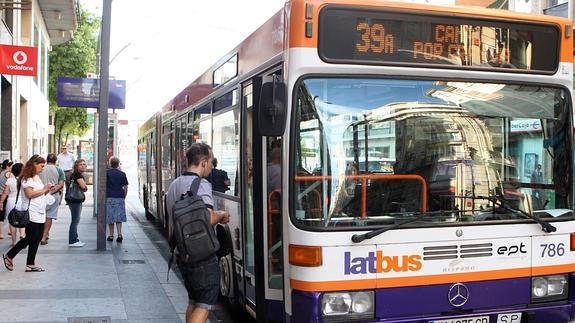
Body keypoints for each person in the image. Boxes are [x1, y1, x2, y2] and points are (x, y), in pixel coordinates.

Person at [166, 143, 230, 323]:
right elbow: (208, 217)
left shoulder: (174, 184)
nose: (212, 165)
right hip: (201, 256)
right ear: (202, 162)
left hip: (182, 254)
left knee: (194, 301)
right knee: (204, 304)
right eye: (210, 161)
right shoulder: (202, 185)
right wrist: (222, 215)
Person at [2, 155, 56, 272]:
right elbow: (30, 194)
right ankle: (9, 255)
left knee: (36, 238)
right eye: (41, 166)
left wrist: (47, 189)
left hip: (40, 211)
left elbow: (39, 192)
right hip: (31, 212)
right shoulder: (26, 178)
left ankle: (30, 264)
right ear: (34, 164)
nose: (42, 169)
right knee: (31, 237)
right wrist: (44, 189)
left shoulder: (36, 177)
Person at [39, 154, 65, 245]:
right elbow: (61, 184)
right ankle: (44, 237)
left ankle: (41, 234)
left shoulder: (41, 169)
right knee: (49, 216)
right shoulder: (59, 170)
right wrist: (52, 191)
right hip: (53, 196)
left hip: (40, 195)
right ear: (56, 161)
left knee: (41, 215)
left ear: (46, 160)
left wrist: (44, 191)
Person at [0, 163, 24, 246]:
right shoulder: (24, 180)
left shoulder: (10, 180)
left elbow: (5, 192)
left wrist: (1, 202)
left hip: (11, 201)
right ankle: (21, 235)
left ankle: (14, 241)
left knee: (12, 221)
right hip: (22, 201)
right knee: (22, 220)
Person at [106, 156, 128, 242]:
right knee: (119, 217)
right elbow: (125, 187)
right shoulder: (122, 174)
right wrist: (124, 196)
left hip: (110, 196)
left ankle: (111, 235)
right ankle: (119, 234)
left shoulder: (107, 173)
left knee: (110, 217)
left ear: (110, 164)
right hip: (120, 197)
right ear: (118, 164)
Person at [68, 159, 88, 247]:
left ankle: (75, 239)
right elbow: (84, 186)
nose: (83, 166)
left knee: (75, 219)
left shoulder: (74, 174)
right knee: (75, 220)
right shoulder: (77, 175)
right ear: (76, 166)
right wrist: (85, 188)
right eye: (80, 164)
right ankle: (73, 240)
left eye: (84, 164)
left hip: (72, 199)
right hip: (75, 199)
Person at [0, 159, 13, 239]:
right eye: (11, 165)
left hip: (0, 194)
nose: (12, 167)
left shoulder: (1, 173)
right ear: (8, 166)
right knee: (10, 213)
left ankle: (1, 233)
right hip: (6, 195)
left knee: (1, 215)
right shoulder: (9, 173)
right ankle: (10, 230)